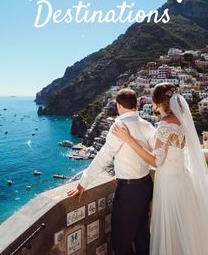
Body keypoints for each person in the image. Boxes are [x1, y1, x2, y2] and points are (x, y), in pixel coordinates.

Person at [112, 83, 208, 255]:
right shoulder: (181, 122)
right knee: (184, 231)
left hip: (169, 183)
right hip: (184, 179)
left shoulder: (165, 124)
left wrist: (128, 139)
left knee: (170, 230)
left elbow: (156, 161)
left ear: (156, 103)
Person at [67, 88, 156, 255]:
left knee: (120, 241)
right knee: (141, 235)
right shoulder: (147, 125)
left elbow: (104, 157)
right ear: (136, 104)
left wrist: (83, 183)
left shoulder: (119, 127)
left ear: (118, 105)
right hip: (146, 186)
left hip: (129, 191)